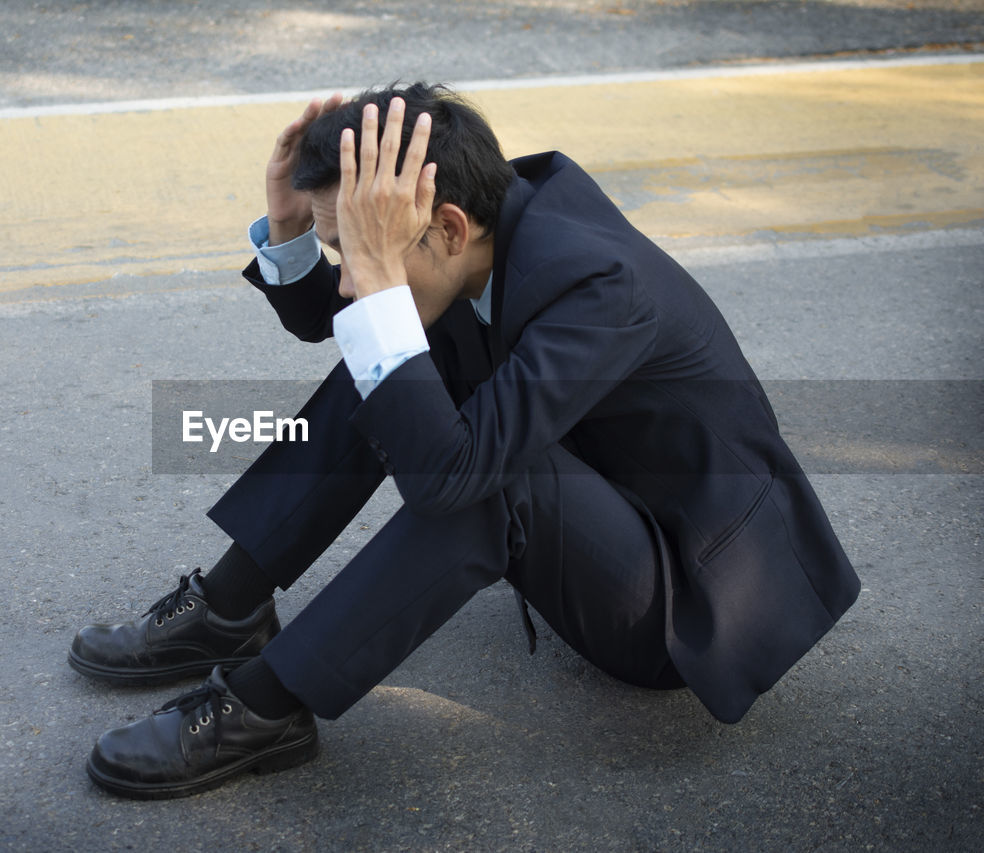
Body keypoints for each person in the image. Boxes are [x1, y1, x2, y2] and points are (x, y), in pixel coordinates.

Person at [68, 83, 860, 799]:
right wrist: (292, 231)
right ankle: (230, 608)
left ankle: (268, 706)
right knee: (390, 355)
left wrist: (380, 287)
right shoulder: (479, 223)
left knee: (476, 466)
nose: (348, 276)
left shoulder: (599, 288)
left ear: (445, 227)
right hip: (610, 504)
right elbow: (336, 321)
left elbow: (448, 478)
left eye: (357, 254)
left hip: (683, 604)